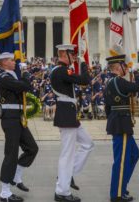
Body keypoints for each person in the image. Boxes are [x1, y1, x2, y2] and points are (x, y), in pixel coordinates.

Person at [51, 44, 93, 202]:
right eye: (72, 54)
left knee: (88, 144)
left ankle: (66, 175)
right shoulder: (61, 70)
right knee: (67, 154)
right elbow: (85, 80)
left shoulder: (61, 70)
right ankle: (62, 191)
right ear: (63, 54)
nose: (74, 57)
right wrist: (83, 63)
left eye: (75, 55)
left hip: (69, 112)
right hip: (66, 112)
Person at [0, 52, 39, 202]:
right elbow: (25, 86)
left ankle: (16, 175)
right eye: (12, 60)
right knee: (11, 154)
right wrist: (26, 74)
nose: (15, 62)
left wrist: (24, 77)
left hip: (19, 118)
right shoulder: (3, 78)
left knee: (32, 148)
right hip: (10, 119)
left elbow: (28, 89)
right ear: (4, 62)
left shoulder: (13, 76)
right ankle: (5, 192)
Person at [104, 55, 139, 202]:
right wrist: (138, 73)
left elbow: (108, 108)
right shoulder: (119, 82)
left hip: (119, 122)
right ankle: (117, 194)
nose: (126, 68)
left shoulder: (110, 82)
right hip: (121, 123)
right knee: (121, 160)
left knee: (134, 154)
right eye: (124, 66)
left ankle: (122, 185)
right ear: (117, 67)